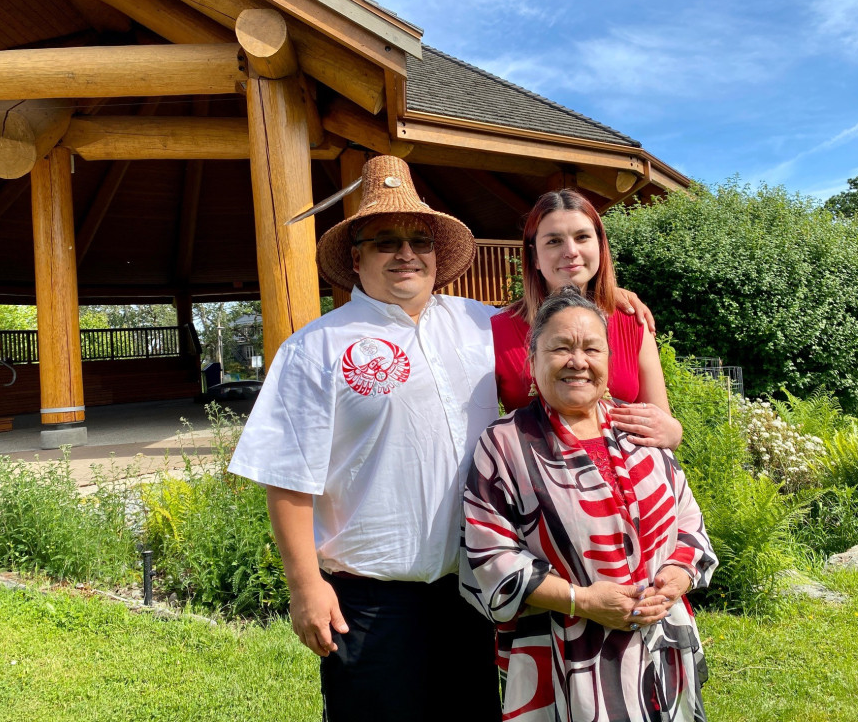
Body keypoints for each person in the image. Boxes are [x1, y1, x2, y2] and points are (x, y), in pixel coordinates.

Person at [228, 155, 501, 722]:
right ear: (357, 259)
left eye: (418, 239)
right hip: (371, 602)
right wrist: (305, 586)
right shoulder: (316, 348)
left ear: (436, 253)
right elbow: (286, 476)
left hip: (474, 590)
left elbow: (571, 330)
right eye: (385, 241)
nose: (406, 253)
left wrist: (613, 297)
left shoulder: (485, 325)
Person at [461, 287, 718, 722]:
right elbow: (491, 557)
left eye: (591, 348)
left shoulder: (637, 426)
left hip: (659, 645)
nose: (577, 361)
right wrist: (581, 599)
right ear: (532, 359)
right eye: (560, 347)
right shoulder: (505, 445)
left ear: (608, 360)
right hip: (562, 652)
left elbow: (687, 516)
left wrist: (676, 576)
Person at [493, 189, 682, 450]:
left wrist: (674, 432)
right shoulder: (498, 330)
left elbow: (663, 421)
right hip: (538, 483)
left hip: (626, 480)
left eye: (582, 237)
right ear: (535, 256)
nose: (571, 251)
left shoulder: (632, 320)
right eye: (553, 241)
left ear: (600, 246)